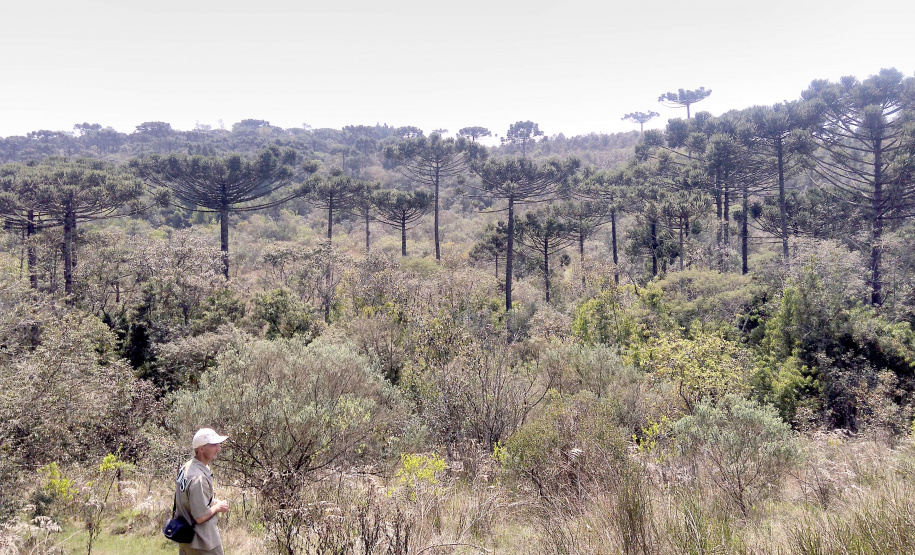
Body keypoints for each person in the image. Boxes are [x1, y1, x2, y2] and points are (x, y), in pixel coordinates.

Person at [174, 428, 230, 555]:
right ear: (201, 449)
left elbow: (189, 499)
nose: (219, 449)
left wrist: (213, 501)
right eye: (214, 445)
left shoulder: (187, 467)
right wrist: (218, 507)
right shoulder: (198, 478)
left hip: (186, 539)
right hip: (202, 543)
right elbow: (200, 517)